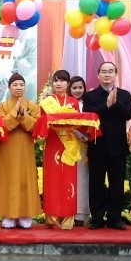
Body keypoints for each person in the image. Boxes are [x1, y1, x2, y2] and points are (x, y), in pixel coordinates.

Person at [83, 62, 131, 230]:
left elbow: (128, 114)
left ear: (115, 75)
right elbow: (89, 116)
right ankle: (97, 218)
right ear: (98, 75)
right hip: (98, 146)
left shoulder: (124, 95)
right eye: (103, 71)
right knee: (96, 184)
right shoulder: (90, 96)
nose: (107, 74)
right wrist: (106, 105)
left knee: (117, 185)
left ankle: (114, 218)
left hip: (118, 147)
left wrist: (115, 102)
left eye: (110, 72)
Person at [0, 73, 41, 229]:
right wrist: (15, 114)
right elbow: (0, 126)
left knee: (25, 178)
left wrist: (24, 115)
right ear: (9, 87)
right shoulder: (2, 106)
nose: (18, 88)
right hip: (8, 148)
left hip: (26, 147)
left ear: (25, 87)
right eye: (15, 85)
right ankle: (9, 215)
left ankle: (26, 214)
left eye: (21, 84)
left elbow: (35, 126)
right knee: (9, 178)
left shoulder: (33, 107)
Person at [42, 70, 80, 229]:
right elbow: (42, 123)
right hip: (53, 142)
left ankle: (68, 217)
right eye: (56, 81)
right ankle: (51, 217)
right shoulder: (47, 102)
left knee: (68, 179)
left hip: (69, 144)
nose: (58, 84)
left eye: (62, 81)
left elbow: (78, 121)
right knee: (52, 178)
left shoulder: (73, 102)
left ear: (68, 84)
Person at [68, 76, 90, 226]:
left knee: (82, 178)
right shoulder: (66, 104)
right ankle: (67, 212)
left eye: (80, 87)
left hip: (84, 144)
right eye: (74, 88)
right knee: (69, 178)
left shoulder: (89, 103)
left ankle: (81, 214)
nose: (77, 91)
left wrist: (84, 134)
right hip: (67, 144)